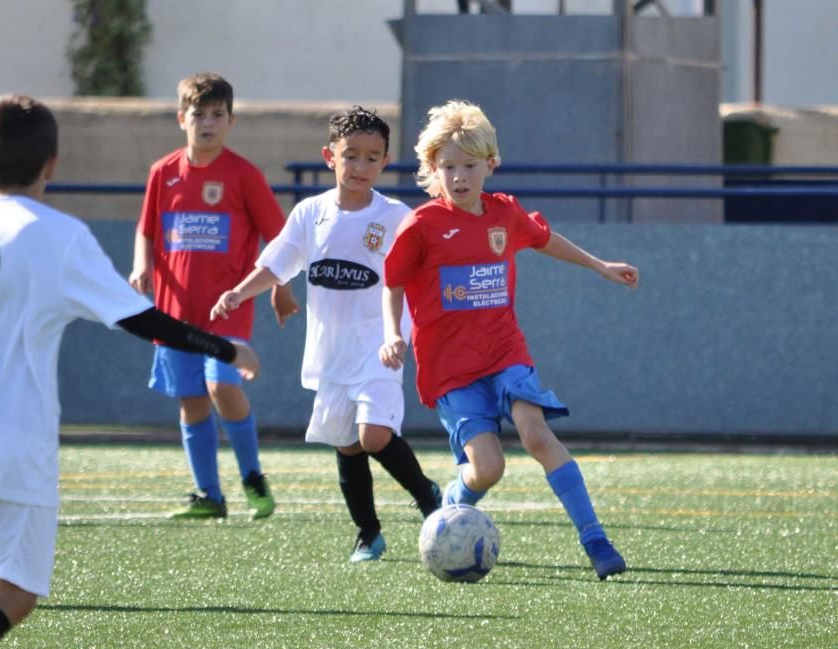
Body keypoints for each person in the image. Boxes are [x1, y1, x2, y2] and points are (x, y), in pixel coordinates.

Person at [0, 95, 260, 649]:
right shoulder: (58, 235)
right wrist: (224, 345)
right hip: (14, 447)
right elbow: (139, 319)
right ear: (53, 164)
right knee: (13, 595)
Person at [379, 100, 638, 580]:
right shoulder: (421, 226)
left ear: (489, 166)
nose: (458, 177)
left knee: (537, 434)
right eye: (447, 167)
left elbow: (545, 239)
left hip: (504, 353)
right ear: (433, 169)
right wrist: (393, 333)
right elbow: (392, 283)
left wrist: (600, 265)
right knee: (488, 469)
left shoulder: (504, 214)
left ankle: (596, 541)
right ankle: (452, 507)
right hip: (450, 370)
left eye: (468, 166)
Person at [211, 107, 442, 561]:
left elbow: (421, 275)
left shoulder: (397, 217)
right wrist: (239, 293)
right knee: (348, 443)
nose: (360, 167)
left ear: (385, 161)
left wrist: (404, 333)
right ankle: (368, 533)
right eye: (350, 156)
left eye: (372, 157)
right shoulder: (309, 213)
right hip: (331, 354)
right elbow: (276, 264)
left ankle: (427, 497)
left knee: (374, 434)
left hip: (380, 346)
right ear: (329, 157)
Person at [130, 72, 296, 520]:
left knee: (221, 384)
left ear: (231, 121)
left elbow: (279, 238)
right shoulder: (163, 173)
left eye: (217, 115)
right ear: (181, 118)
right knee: (192, 400)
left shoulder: (243, 175)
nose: (207, 122)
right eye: (198, 114)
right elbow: (147, 231)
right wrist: (141, 265)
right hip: (174, 312)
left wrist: (281, 287)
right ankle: (209, 495)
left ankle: (252, 477)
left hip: (228, 308)